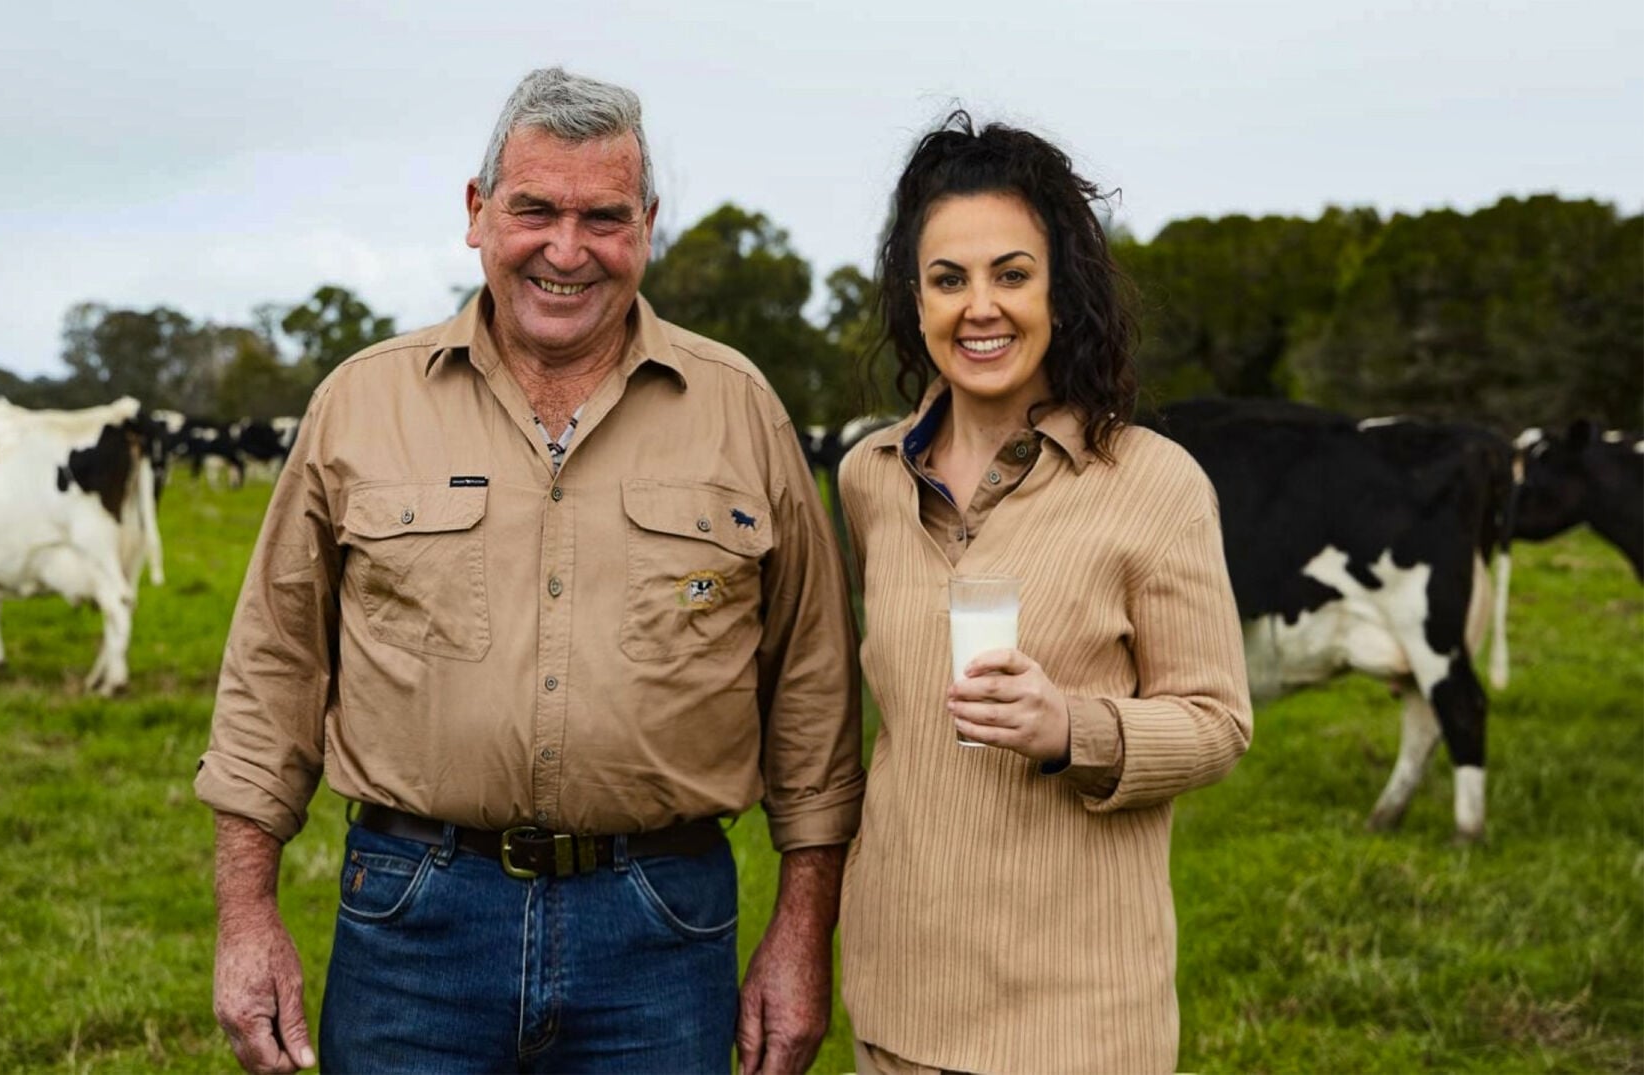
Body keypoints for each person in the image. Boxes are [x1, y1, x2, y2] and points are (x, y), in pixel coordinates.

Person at [196, 67, 863, 1075]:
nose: (566, 249)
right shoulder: (360, 406)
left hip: (662, 923)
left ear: (647, 224)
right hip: (412, 914)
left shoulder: (742, 413)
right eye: (535, 210)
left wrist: (802, 935)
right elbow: (272, 672)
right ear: (477, 212)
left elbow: (814, 694)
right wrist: (247, 918)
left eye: (602, 216)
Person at [834, 113, 1253, 1074]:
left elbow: (1218, 722)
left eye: (1010, 274)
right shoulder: (868, 480)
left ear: (1060, 291)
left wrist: (1073, 727)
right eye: (949, 279)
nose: (979, 307)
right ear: (916, 299)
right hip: (898, 1005)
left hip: (1079, 1023)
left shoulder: (1155, 481)